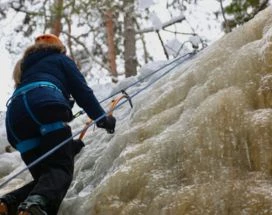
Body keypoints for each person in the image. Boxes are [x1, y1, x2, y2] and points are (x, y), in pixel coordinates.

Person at [0, 34, 116, 215]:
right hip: (45, 107)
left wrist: (68, 148)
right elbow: (82, 92)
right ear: (59, 47)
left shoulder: (24, 69)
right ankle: (32, 208)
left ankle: (7, 204)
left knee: (48, 181)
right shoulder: (60, 59)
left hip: (15, 121)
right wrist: (103, 119)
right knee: (60, 171)